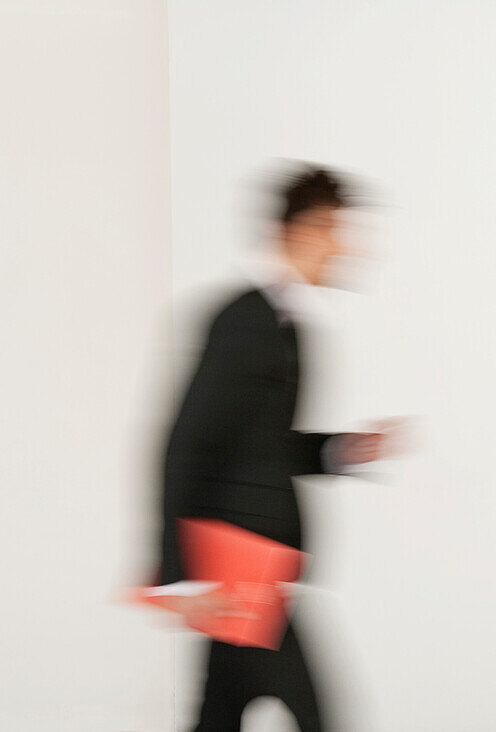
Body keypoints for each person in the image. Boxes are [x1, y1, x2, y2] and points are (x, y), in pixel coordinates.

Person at [149, 165, 399, 731]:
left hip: (257, 576)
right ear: (306, 230)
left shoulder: (287, 327)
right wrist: (181, 579)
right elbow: (185, 446)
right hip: (243, 580)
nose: (345, 246)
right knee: (318, 718)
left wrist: (341, 450)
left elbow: (264, 450)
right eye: (337, 229)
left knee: (220, 715)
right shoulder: (244, 321)